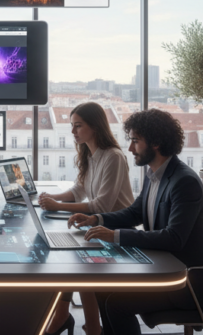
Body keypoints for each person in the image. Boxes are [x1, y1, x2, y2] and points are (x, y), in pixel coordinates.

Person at [66, 109, 203, 335]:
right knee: (103, 289)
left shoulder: (184, 182)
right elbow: (135, 212)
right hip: (163, 266)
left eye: (135, 141)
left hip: (188, 283)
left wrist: (115, 236)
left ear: (156, 143)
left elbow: (174, 238)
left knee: (116, 303)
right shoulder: (155, 174)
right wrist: (96, 218)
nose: (130, 148)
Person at [38, 103, 134, 335]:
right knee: (70, 257)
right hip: (97, 225)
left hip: (117, 229)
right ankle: (81, 322)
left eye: (78, 126)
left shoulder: (114, 157)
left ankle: (83, 324)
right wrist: (51, 198)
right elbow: (78, 190)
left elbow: (102, 205)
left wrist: (58, 206)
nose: (73, 132)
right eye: (72, 126)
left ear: (95, 126)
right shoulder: (90, 155)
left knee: (77, 261)